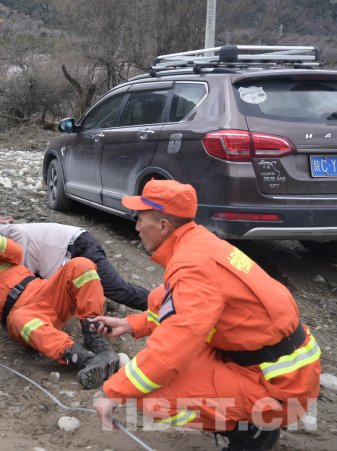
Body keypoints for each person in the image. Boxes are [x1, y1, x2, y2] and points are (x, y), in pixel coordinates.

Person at [91, 180, 321, 451]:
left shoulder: (192, 268)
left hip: (281, 384)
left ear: (163, 226)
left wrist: (113, 392)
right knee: (158, 299)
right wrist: (130, 324)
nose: (137, 227)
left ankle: (254, 430)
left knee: (153, 399)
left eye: (140, 219)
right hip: (276, 359)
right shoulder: (200, 244)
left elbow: (170, 352)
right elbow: (180, 311)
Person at [0, 215, 119, 388]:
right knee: (18, 318)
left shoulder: (0, 260)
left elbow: (16, 251)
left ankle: (94, 337)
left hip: (48, 293)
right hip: (29, 315)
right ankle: (84, 359)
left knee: (81, 264)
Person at [0, 222, 149, 310]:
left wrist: (19, 269)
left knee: (119, 291)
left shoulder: (1, 234)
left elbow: (19, 232)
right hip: (67, 253)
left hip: (76, 246)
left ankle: (161, 306)